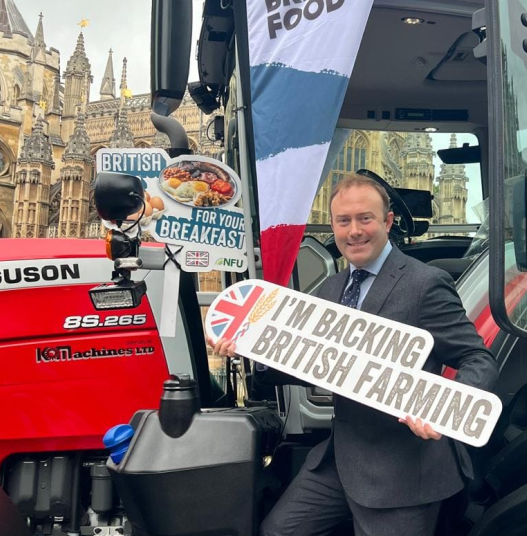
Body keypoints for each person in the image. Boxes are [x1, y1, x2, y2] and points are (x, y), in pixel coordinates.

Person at [211, 174, 498, 536]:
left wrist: (443, 412)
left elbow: (477, 358)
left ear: (387, 222)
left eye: (365, 218)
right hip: (339, 458)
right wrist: (252, 348)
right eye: (343, 221)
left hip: (403, 469)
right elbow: (314, 360)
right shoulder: (332, 288)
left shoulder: (424, 284)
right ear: (332, 225)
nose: (354, 231)